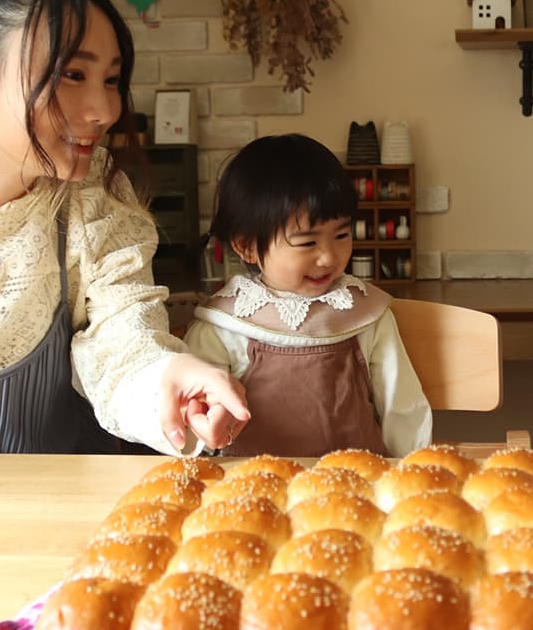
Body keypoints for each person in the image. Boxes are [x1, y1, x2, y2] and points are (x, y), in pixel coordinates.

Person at [0, 0, 249, 454]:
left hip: (61, 520)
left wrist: (168, 378)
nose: (104, 109)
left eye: (111, 80)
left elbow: (123, 336)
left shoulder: (92, 197)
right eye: (72, 74)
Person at [183, 134, 432, 457]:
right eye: (307, 243)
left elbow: (402, 405)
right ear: (245, 245)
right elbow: (194, 419)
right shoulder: (223, 325)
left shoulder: (366, 313)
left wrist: (408, 469)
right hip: (256, 489)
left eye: (341, 234)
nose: (328, 257)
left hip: (358, 483)